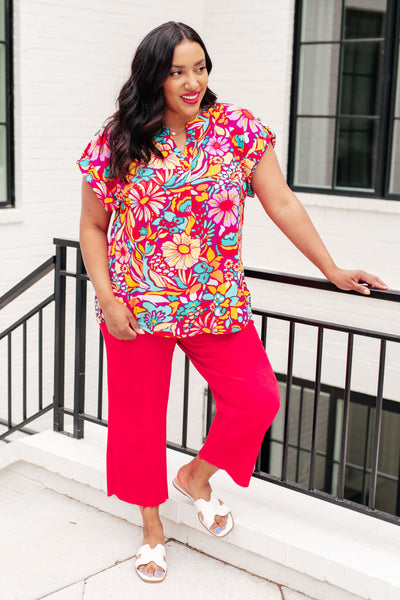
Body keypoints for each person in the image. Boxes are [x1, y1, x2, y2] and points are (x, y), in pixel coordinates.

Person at [78, 21, 387, 583]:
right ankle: (152, 527)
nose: (192, 81)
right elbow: (93, 228)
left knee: (258, 400)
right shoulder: (117, 139)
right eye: (176, 72)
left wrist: (331, 269)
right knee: (139, 421)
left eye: (199, 67)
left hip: (215, 303)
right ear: (153, 77)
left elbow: (283, 203)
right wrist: (106, 295)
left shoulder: (237, 131)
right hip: (136, 308)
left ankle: (196, 477)